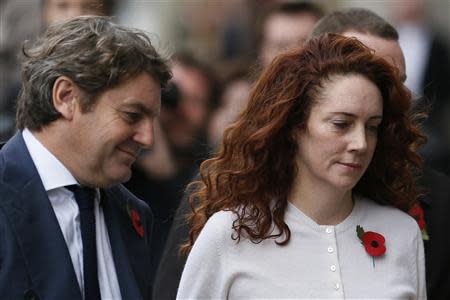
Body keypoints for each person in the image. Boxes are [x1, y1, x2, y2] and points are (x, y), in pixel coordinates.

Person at [176, 34, 426, 299]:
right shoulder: (230, 232)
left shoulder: (402, 232)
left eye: (372, 127)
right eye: (341, 124)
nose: (361, 143)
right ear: (294, 126)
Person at [0, 16, 171, 299]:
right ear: (66, 97)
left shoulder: (134, 215)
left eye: (152, 120)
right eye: (132, 115)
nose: (148, 138)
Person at [310, 8, 450, 300]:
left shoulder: (438, 200)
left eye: (399, 82)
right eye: (371, 78)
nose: (391, 98)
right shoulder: (236, 195)